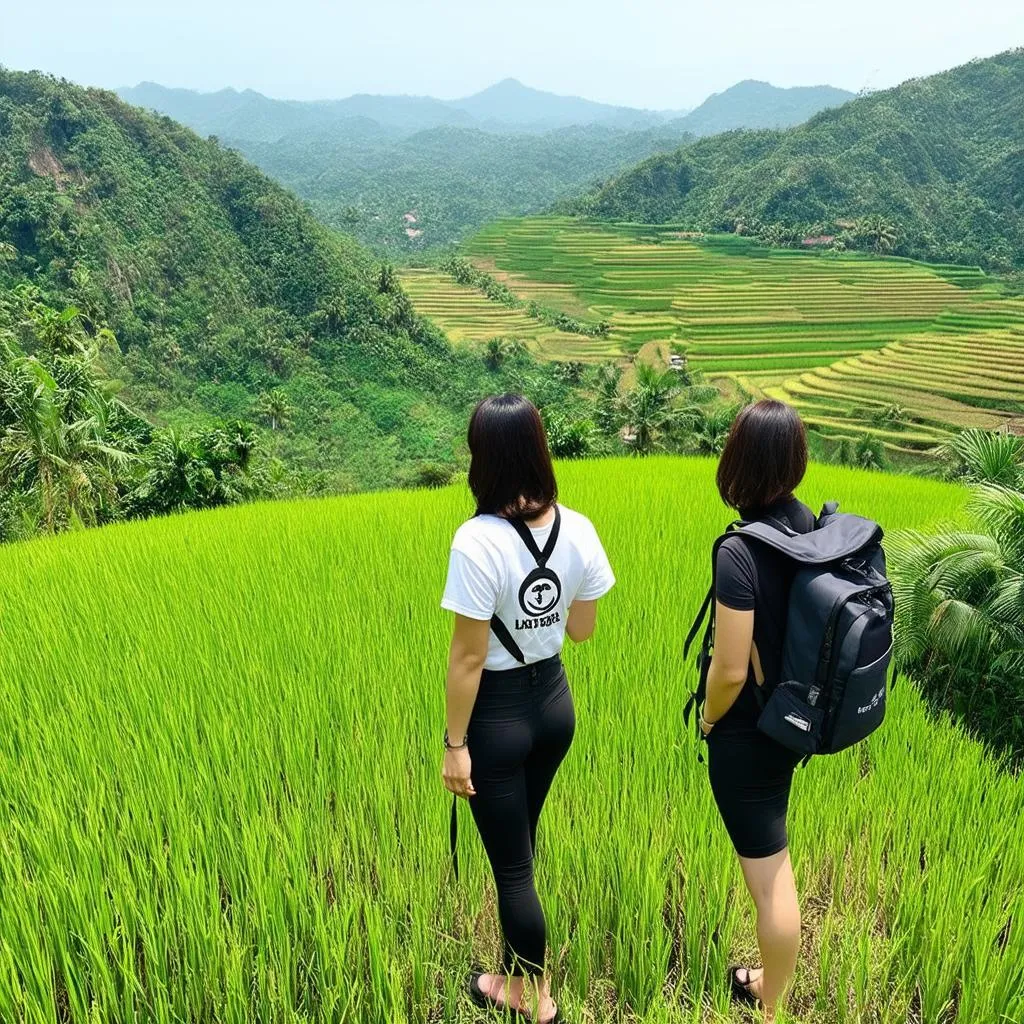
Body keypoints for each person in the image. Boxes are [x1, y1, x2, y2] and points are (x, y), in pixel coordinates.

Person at [440, 393, 615, 1024]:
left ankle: (532, 997)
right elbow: (582, 630)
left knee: (512, 868)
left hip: (496, 720)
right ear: (539, 452)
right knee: (520, 847)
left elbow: (466, 659)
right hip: (553, 708)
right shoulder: (579, 527)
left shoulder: (476, 541)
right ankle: (518, 970)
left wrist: (454, 746)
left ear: (482, 459)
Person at [699, 400, 810, 1022]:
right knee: (773, 857)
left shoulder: (739, 552)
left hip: (749, 733)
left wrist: (711, 720)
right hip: (792, 720)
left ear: (738, 461)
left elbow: (730, 668)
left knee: (770, 876)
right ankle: (771, 981)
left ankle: (772, 1001)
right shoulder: (811, 527)